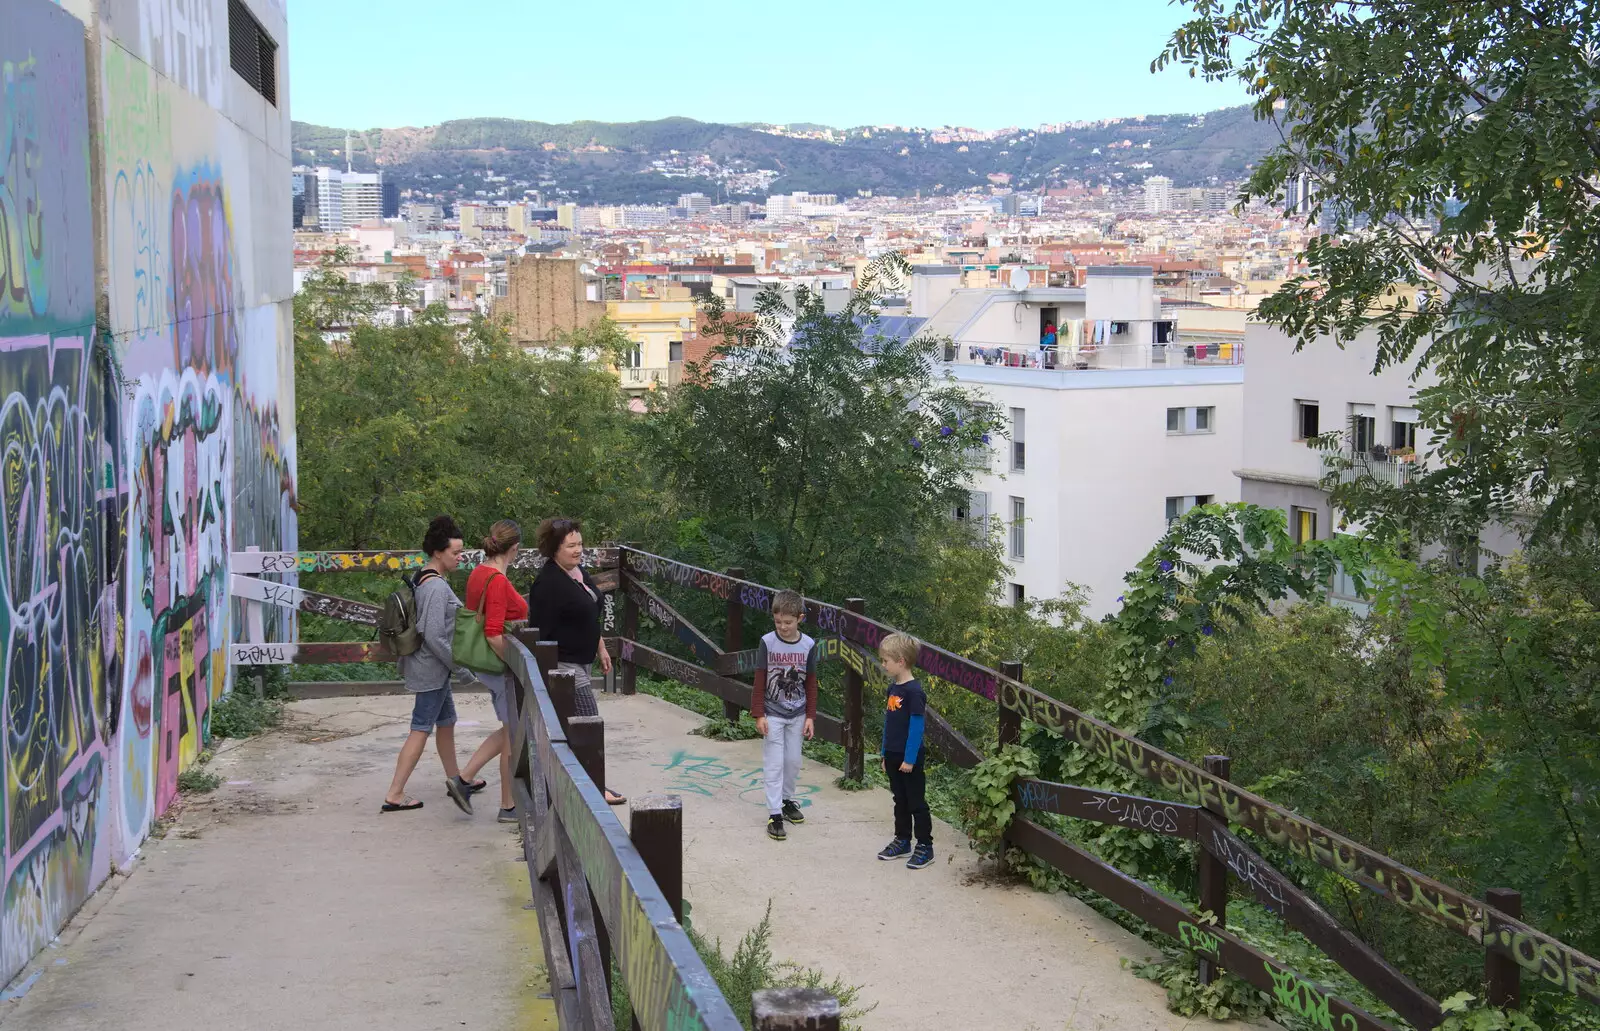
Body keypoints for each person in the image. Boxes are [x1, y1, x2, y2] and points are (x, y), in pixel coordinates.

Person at [527, 516, 625, 804]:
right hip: (564, 666)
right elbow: (540, 632)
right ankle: (594, 788)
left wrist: (601, 648)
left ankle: (584, 785)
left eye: (580, 544)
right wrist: (549, 674)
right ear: (554, 548)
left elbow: (589, 613)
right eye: (571, 546)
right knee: (588, 723)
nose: (578, 550)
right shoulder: (548, 583)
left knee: (583, 725)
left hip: (582, 660)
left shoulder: (577, 572)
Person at [383, 515, 476, 815]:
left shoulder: (423, 576)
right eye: (456, 552)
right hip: (431, 670)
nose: (460, 557)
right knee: (421, 728)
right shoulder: (436, 587)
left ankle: (457, 780)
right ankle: (395, 793)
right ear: (438, 552)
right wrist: (462, 668)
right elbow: (434, 635)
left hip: (432, 669)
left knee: (446, 722)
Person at [457, 519, 529, 824]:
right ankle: (501, 802)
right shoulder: (497, 580)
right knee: (513, 732)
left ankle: (476, 786)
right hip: (498, 664)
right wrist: (517, 664)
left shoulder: (479, 572)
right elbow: (492, 632)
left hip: (487, 663)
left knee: (511, 731)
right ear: (514, 549)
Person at [750, 590, 817, 841]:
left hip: (798, 713)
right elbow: (759, 679)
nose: (783, 627)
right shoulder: (767, 642)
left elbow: (811, 682)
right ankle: (774, 813)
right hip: (773, 713)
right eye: (778, 622)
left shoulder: (809, 645)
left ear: (799, 618)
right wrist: (759, 713)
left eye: (788, 622)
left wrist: (810, 715)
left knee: (793, 761)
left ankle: (787, 801)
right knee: (774, 763)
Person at [875, 632, 932, 869]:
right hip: (893, 755)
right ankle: (903, 840)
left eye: (886, 660)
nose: (883, 664)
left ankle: (925, 846)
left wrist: (909, 759)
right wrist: (884, 753)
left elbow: (917, 728)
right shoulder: (893, 689)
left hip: (910, 758)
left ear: (900, 661)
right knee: (899, 800)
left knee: (916, 801)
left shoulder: (914, 692)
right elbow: (889, 723)